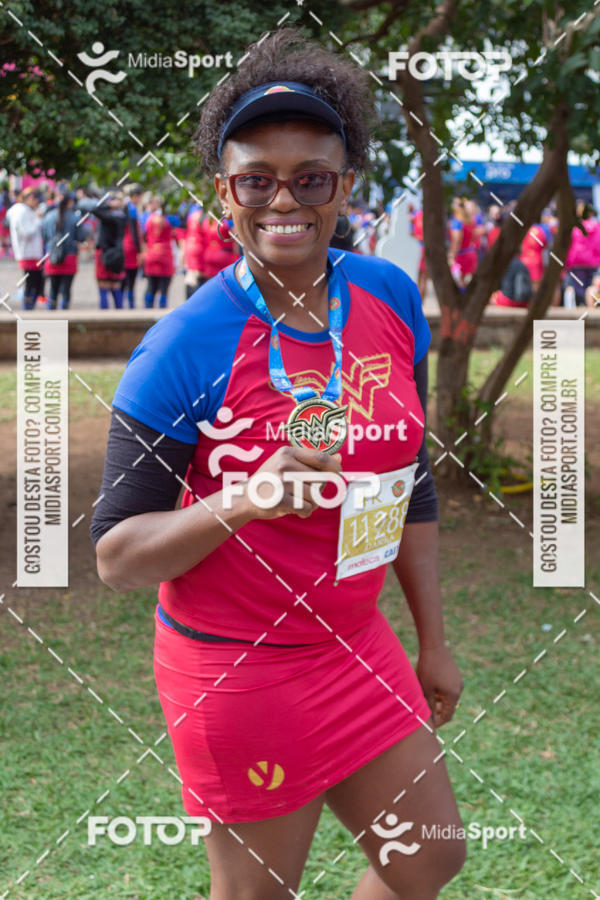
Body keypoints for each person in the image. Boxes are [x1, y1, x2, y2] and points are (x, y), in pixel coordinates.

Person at [90, 28, 465, 900]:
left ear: (346, 189)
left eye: (311, 178)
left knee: (431, 855)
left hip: (355, 645)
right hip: (239, 667)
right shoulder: (184, 345)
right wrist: (247, 499)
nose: (282, 199)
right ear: (225, 192)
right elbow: (115, 555)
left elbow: (409, 474)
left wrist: (433, 642)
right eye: (256, 178)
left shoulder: (389, 294)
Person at [78, 192, 127, 309]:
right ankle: (119, 315)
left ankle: (106, 314)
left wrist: (109, 206)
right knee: (115, 286)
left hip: (105, 253)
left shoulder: (111, 218)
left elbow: (93, 209)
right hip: (117, 254)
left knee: (104, 286)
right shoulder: (123, 216)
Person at [41, 189, 89, 309]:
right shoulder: (75, 218)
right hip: (69, 257)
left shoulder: (48, 216)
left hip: (52, 257)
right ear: (70, 202)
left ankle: (51, 318)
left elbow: (45, 235)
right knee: (66, 290)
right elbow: (81, 237)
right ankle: (65, 316)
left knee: (53, 290)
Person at [6, 186, 45, 309]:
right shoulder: (22, 212)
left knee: (34, 282)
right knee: (31, 282)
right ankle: (28, 307)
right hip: (28, 253)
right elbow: (27, 232)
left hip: (31, 252)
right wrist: (38, 220)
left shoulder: (25, 211)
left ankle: (29, 306)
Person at [142, 195, 175, 308]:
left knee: (151, 286)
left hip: (152, 253)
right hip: (165, 254)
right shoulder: (169, 220)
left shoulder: (149, 219)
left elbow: (144, 237)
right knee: (164, 288)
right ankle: (161, 311)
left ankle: (148, 310)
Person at [122, 184, 144, 308]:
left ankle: (121, 305)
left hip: (124, 246)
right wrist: (139, 250)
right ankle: (131, 305)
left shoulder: (123, 207)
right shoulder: (132, 209)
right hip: (131, 247)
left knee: (124, 279)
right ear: (135, 196)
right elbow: (134, 231)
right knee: (131, 280)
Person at [447, 197, 477, 288]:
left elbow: (456, 241)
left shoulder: (457, 222)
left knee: (455, 285)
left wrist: (451, 256)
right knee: (462, 283)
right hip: (470, 253)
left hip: (460, 256)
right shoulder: (470, 221)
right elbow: (474, 237)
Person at [183, 204, 207, 298]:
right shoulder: (204, 216)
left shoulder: (191, 214)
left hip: (190, 245)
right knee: (198, 276)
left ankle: (189, 301)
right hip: (200, 247)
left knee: (191, 274)